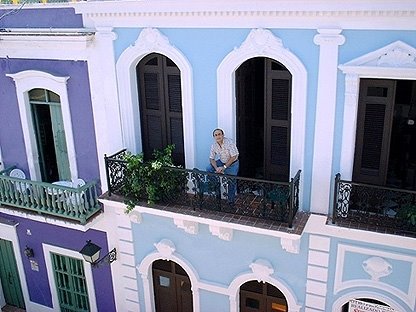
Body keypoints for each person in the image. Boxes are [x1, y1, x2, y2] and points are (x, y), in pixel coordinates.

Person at [206, 128, 239, 203]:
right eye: (216, 135)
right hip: (222, 162)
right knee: (208, 168)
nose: (218, 136)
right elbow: (211, 158)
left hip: (232, 163)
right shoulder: (214, 145)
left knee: (231, 182)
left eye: (219, 134)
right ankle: (216, 185)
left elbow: (233, 156)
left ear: (223, 135)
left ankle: (231, 201)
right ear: (214, 137)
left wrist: (224, 167)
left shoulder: (229, 142)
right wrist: (216, 168)